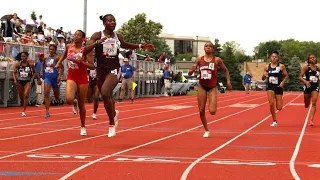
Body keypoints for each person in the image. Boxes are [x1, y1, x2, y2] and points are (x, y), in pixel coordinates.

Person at [84, 14, 155, 137]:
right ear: (104, 23)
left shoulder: (118, 36)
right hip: (100, 70)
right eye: (110, 21)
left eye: (114, 20)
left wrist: (141, 46)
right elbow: (85, 50)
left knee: (105, 92)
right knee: (107, 97)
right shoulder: (97, 35)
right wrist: (97, 43)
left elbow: (125, 44)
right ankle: (113, 114)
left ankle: (111, 124)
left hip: (114, 68)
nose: (113, 22)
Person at [188, 42, 232, 138]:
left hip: (212, 87)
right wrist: (192, 70)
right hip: (202, 86)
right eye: (206, 46)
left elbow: (226, 70)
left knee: (212, 111)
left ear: (213, 49)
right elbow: (190, 72)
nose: (208, 47)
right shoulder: (199, 59)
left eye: (210, 46)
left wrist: (228, 82)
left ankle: (212, 101)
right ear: (204, 48)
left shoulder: (217, 60)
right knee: (201, 110)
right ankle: (206, 130)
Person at [55, 30, 94, 136]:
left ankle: (83, 126)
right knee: (68, 99)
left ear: (83, 39)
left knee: (82, 103)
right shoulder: (69, 46)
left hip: (82, 77)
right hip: (71, 76)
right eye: (75, 35)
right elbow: (64, 55)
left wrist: (82, 62)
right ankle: (73, 102)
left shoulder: (85, 50)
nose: (76, 36)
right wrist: (58, 63)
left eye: (79, 35)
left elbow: (92, 66)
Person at [262, 50, 288, 127]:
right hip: (270, 86)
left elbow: (286, 76)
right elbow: (263, 78)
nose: (274, 58)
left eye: (275, 57)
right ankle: (274, 121)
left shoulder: (281, 66)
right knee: (271, 103)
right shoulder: (267, 67)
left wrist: (283, 82)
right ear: (270, 57)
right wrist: (264, 75)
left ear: (277, 58)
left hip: (278, 87)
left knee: (279, 107)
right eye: (272, 56)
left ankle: (279, 99)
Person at [13, 52, 41, 116]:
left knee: (26, 95)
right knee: (21, 96)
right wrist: (15, 80)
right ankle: (23, 102)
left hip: (27, 81)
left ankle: (24, 110)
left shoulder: (30, 64)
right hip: (20, 81)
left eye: (24, 56)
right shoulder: (18, 64)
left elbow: (35, 72)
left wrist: (33, 78)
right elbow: (14, 73)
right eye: (22, 56)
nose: (23, 58)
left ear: (27, 57)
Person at [41, 44, 64, 118]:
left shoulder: (57, 58)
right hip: (48, 77)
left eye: (52, 49)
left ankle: (71, 102)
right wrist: (41, 71)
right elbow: (43, 65)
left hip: (55, 78)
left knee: (56, 96)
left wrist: (60, 76)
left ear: (55, 50)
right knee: (46, 93)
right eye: (50, 49)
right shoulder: (46, 57)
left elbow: (62, 68)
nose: (51, 50)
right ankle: (47, 112)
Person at [299, 53, 319, 126]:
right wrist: (306, 82)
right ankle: (306, 101)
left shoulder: (318, 68)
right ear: (309, 60)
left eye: (314, 57)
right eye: (311, 58)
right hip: (308, 86)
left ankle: (311, 120)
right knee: (307, 104)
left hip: (315, 87)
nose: (313, 59)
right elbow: (300, 77)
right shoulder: (306, 67)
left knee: (314, 103)